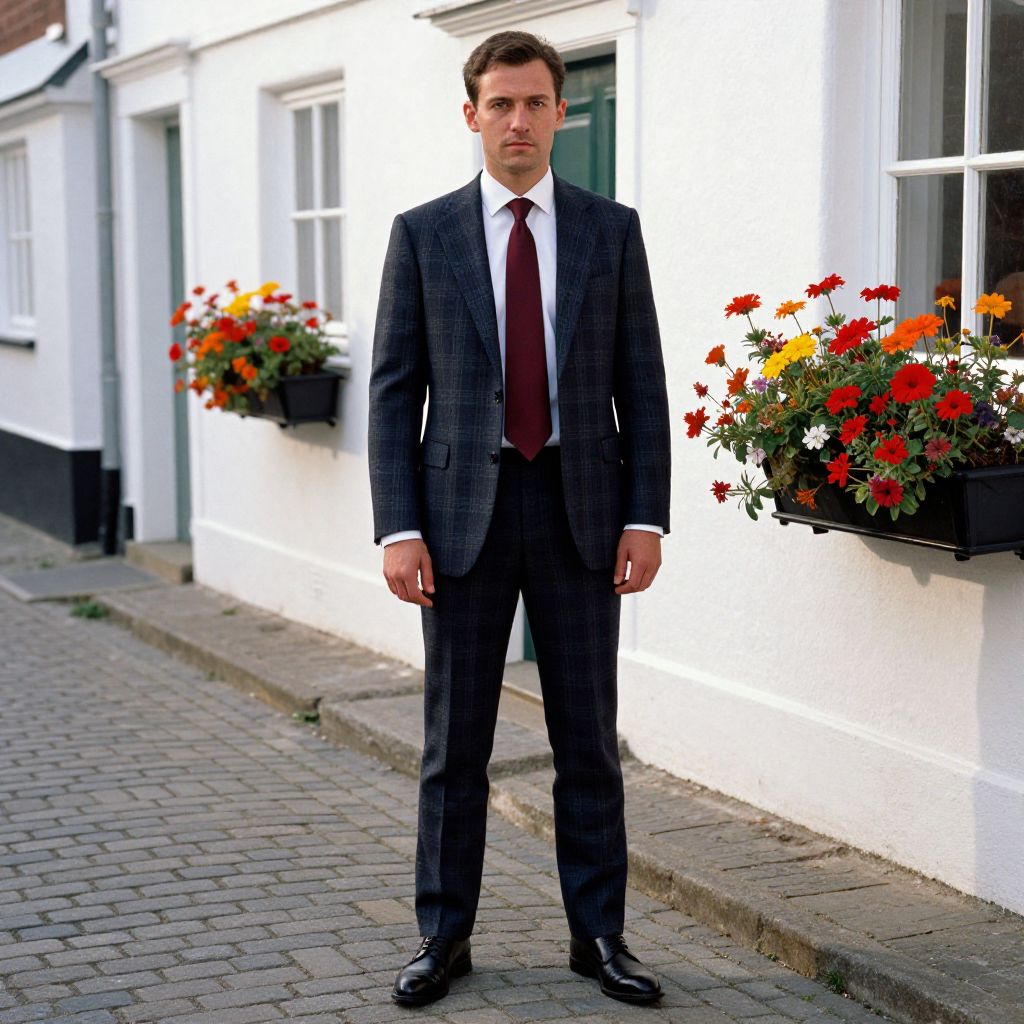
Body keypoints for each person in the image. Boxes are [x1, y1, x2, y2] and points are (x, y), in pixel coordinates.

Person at [368, 29, 671, 1008]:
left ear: (560, 112)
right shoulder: (423, 235)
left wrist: (646, 516)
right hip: (460, 519)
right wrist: (396, 526)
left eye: (535, 102)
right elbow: (390, 394)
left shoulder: (608, 231)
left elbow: (644, 388)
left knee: (588, 738)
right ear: (472, 115)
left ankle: (599, 937)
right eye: (499, 104)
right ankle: (442, 939)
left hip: (582, 512)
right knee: (455, 745)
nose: (517, 120)